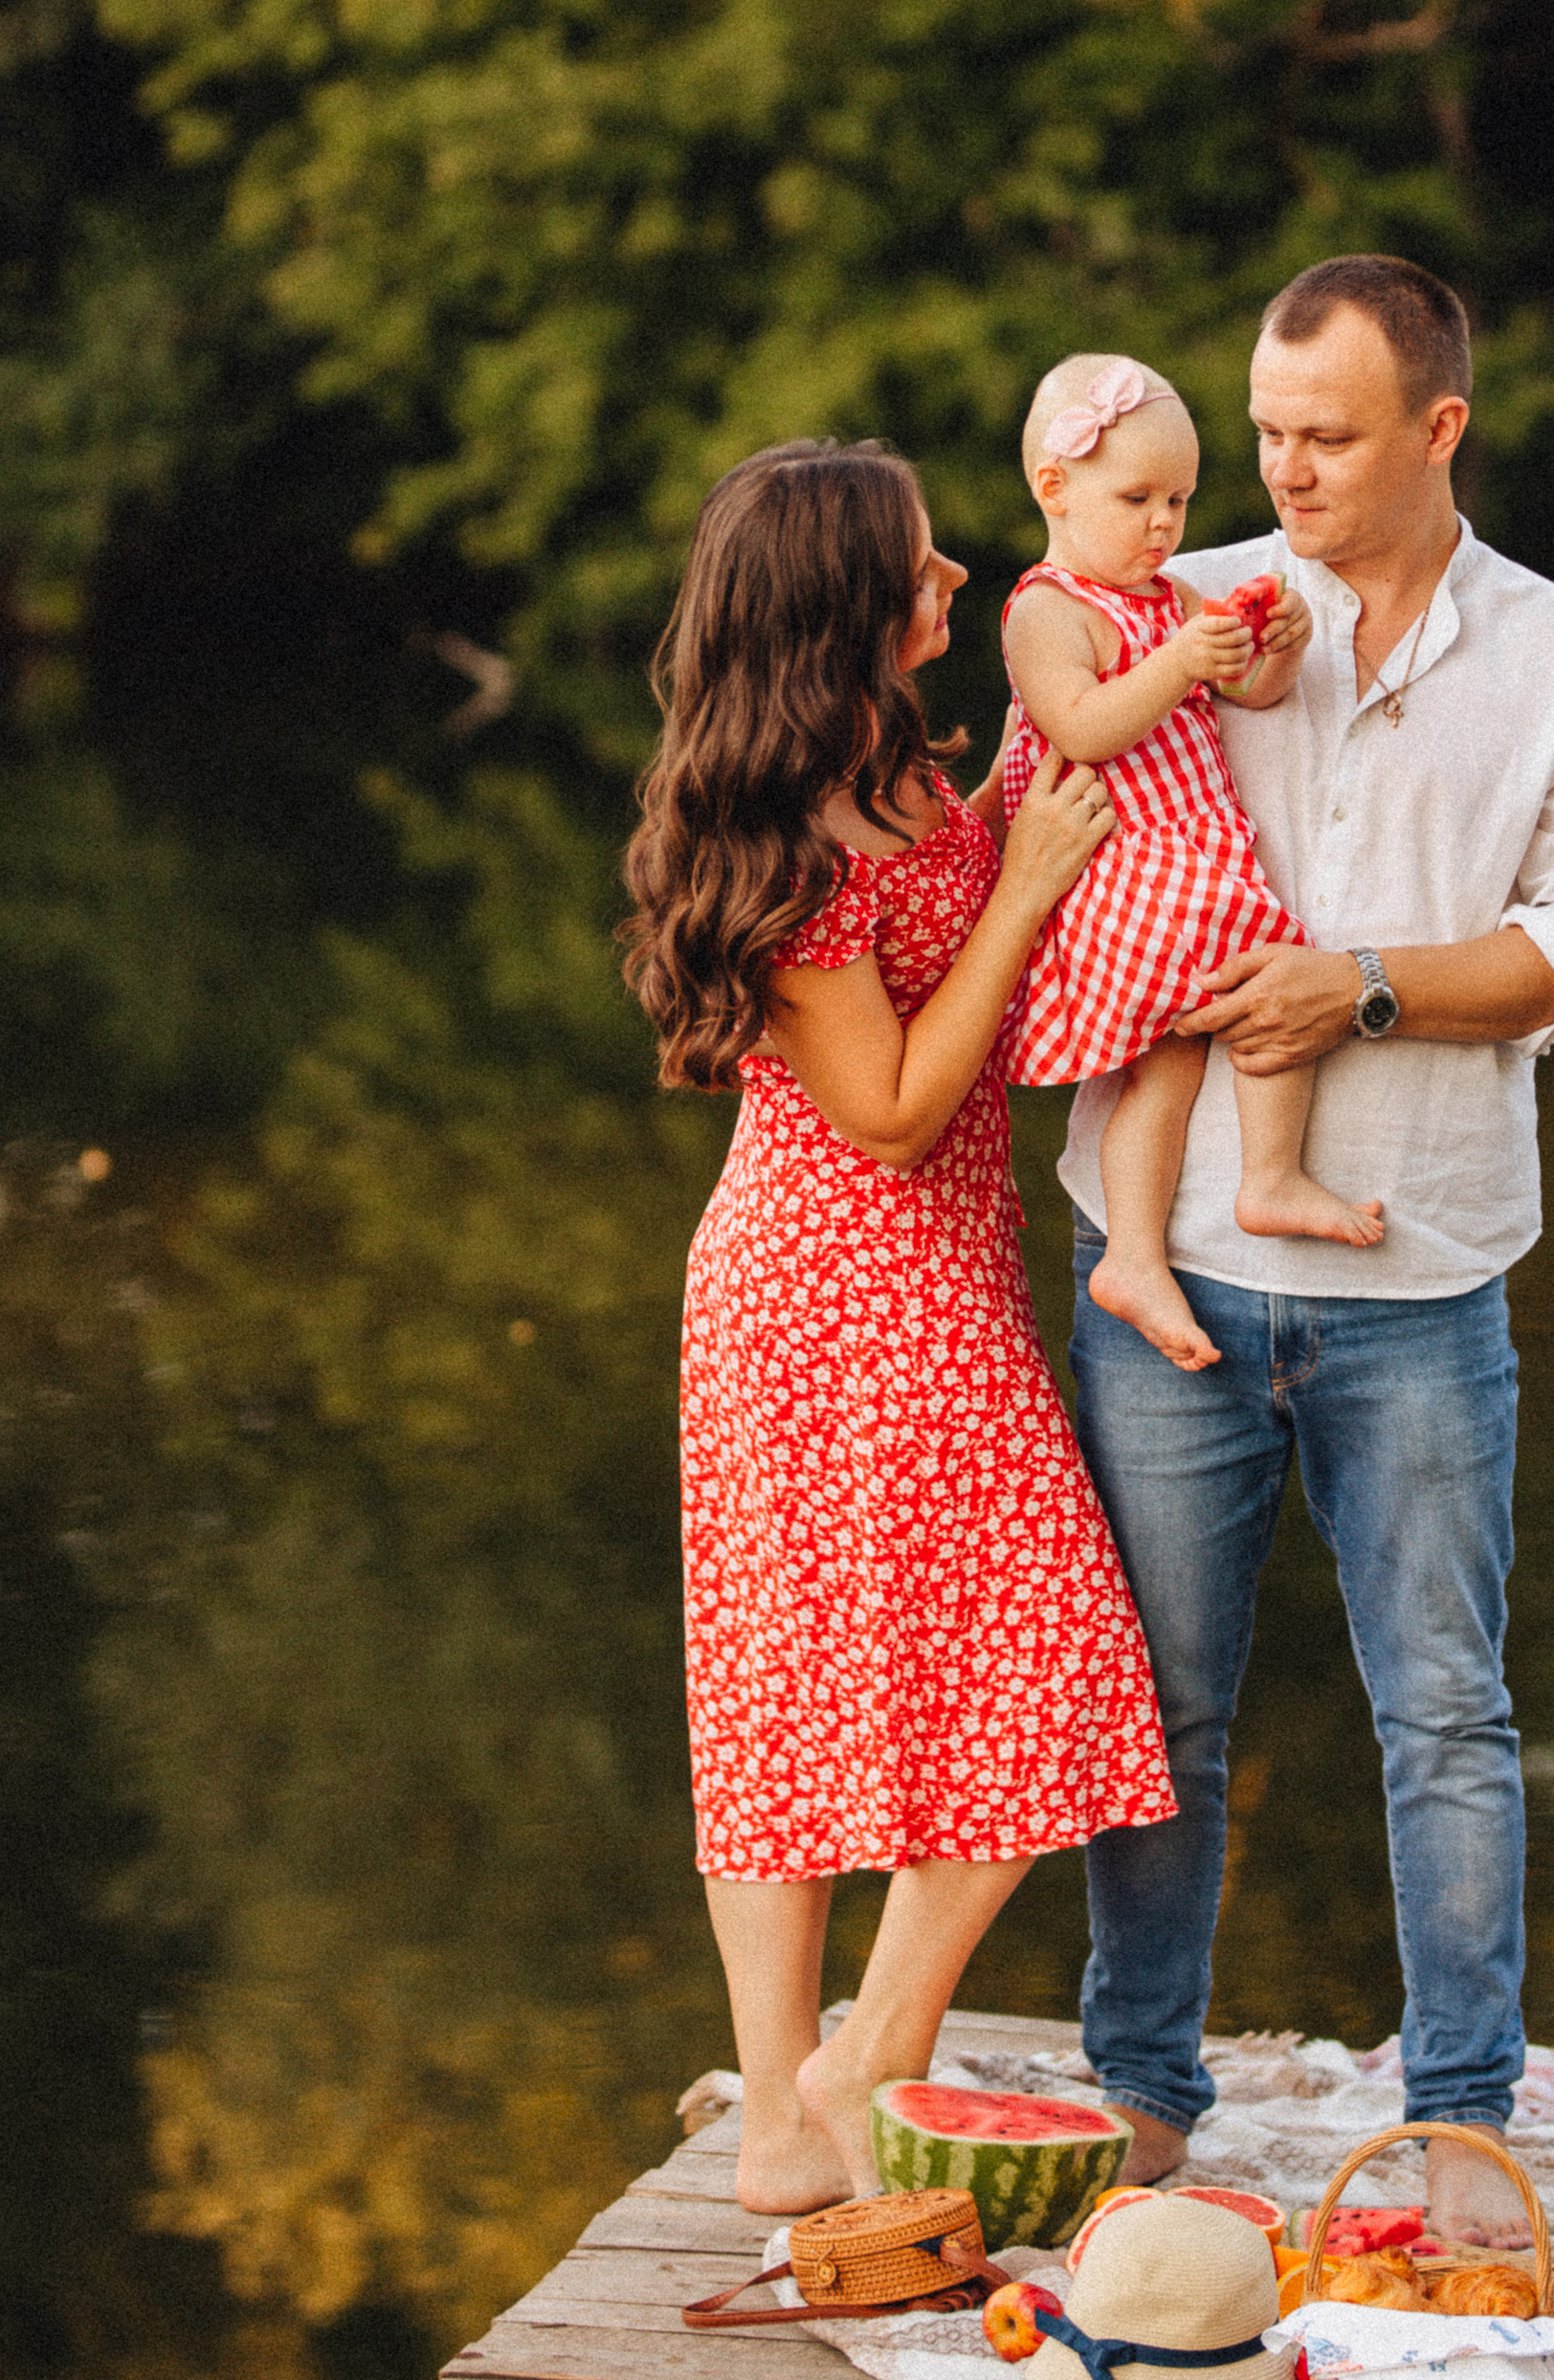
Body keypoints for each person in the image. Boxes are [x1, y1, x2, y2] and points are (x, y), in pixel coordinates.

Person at [1058, 260, 1554, 2244]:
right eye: (1264, 432)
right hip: (1161, 1273)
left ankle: (1459, 2114)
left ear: (1439, 428)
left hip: (1420, 1282)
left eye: (1325, 436)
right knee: (1158, 1709)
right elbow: (1043, 786)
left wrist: (1370, 987)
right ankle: (1142, 2092)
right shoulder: (1182, 608)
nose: (1283, 472)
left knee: (1447, 1716)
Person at [623, 437, 1177, 2216]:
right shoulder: (779, 838)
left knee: (897, 1675)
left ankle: (819, 2100)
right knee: (1018, 1656)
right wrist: (1024, 887)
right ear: (842, 606)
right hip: (832, 1285)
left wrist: (1022, 802)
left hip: (927, 1276)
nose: (956, 582)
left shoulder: (899, 771)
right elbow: (888, 1109)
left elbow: (974, 933)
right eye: (926, 566)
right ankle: (843, 2073)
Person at [1000, 351, 1381, 1378]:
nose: (1163, 525)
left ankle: (1139, 1251)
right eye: (1138, 499)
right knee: (1272, 974)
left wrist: (1277, 647)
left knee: (1167, 1068)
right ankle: (1269, 1178)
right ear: (1055, 488)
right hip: (1129, 871)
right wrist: (1177, 662)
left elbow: (1249, 695)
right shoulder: (1047, 609)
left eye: (1178, 500)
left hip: (1190, 857)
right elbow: (1079, 726)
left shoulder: (1168, 596)